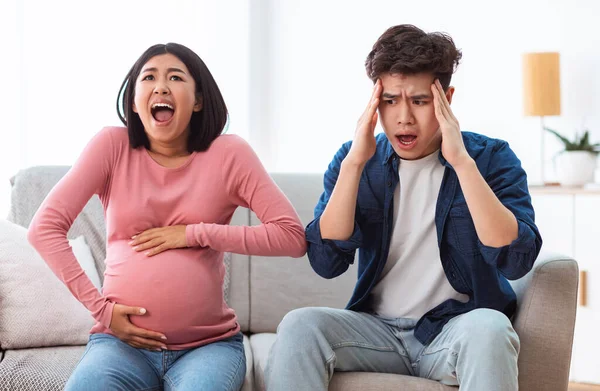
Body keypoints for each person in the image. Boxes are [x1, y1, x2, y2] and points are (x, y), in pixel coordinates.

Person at [264, 24, 542, 391]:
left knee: (491, 327)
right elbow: (326, 261)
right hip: (375, 332)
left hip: (454, 329)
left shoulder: (491, 158)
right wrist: (353, 164)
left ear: (447, 98)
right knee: (300, 325)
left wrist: (460, 161)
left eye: (420, 101)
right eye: (390, 100)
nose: (403, 117)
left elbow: (514, 258)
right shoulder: (356, 163)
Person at [28, 42, 307, 391]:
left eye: (175, 77)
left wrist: (195, 233)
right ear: (134, 100)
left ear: (199, 100)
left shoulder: (229, 154)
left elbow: (292, 237)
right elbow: (44, 229)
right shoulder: (111, 147)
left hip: (209, 347)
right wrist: (102, 310)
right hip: (120, 346)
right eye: (149, 78)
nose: (160, 86)